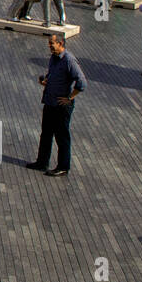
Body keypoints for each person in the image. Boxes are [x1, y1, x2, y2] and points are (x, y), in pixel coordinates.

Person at [26, 34, 86, 177]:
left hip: (61, 105)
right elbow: (52, 75)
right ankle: (42, 162)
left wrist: (69, 98)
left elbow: (82, 83)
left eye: (52, 43)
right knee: (46, 133)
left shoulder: (69, 60)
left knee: (62, 136)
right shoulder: (53, 58)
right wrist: (45, 81)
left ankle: (63, 167)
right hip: (49, 102)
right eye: (49, 43)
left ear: (60, 44)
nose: (50, 46)